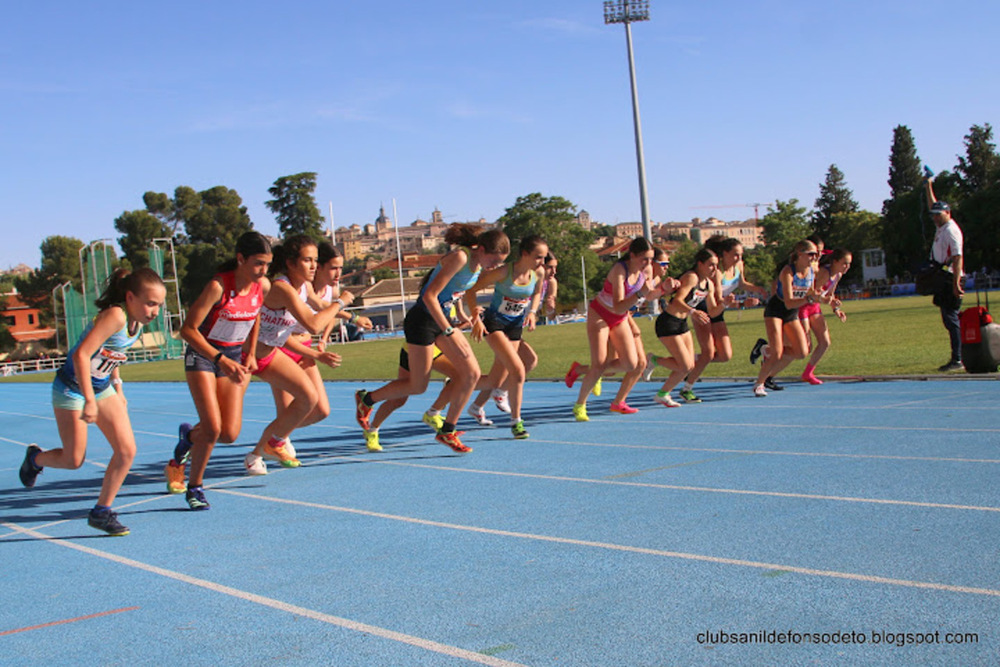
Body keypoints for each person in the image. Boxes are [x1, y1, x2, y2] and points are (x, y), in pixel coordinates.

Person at [19, 268, 167, 536]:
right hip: (72, 389)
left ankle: (101, 511)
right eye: (151, 303)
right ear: (130, 297)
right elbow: (82, 356)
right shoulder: (115, 315)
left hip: (101, 388)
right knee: (74, 460)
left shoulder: (136, 322)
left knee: (126, 451)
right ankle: (35, 459)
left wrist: (118, 388)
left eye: (159, 305)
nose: (155, 311)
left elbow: (113, 354)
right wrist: (88, 400)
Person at [355, 224, 510, 453]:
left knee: (471, 374)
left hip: (442, 320)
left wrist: (464, 316)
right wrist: (448, 330)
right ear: (481, 249)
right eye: (494, 261)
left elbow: (455, 291)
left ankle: (447, 430)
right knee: (417, 387)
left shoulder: (476, 264)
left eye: (499, 263)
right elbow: (429, 296)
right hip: (423, 321)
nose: (495, 267)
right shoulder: (460, 257)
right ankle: (367, 399)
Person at [167, 232, 272, 509]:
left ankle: (187, 438)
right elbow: (187, 330)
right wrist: (219, 359)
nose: (263, 271)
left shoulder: (262, 286)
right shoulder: (218, 286)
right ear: (240, 259)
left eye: (268, 265)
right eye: (258, 264)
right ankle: (195, 487)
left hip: (235, 356)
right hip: (204, 354)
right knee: (212, 428)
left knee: (229, 434)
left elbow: (256, 315)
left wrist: (250, 352)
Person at [243, 235, 351, 475]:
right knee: (224, 430)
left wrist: (351, 316)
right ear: (291, 263)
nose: (314, 266)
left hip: (272, 353)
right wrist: (340, 303)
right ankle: (188, 443)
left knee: (309, 399)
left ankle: (264, 448)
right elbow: (313, 324)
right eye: (307, 260)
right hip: (244, 356)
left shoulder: (304, 286)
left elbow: (320, 307)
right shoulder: (281, 288)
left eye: (315, 260)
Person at [463, 235, 547, 439]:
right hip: (495, 323)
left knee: (496, 378)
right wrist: (475, 315)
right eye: (538, 257)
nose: (541, 262)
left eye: (543, 258)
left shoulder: (538, 272)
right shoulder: (503, 272)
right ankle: (516, 422)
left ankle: (462, 390)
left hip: (515, 325)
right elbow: (471, 290)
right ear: (525, 253)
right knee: (517, 370)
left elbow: (536, 292)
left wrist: (533, 312)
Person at [571, 237, 664, 421]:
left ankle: (586, 371)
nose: (648, 263)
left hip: (619, 318)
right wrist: (641, 292)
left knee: (631, 364)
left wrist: (663, 290)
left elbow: (649, 295)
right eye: (644, 259)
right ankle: (580, 405)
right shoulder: (619, 270)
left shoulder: (647, 270)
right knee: (599, 363)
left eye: (651, 259)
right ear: (632, 255)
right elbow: (619, 305)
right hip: (601, 314)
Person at [669, 237, 766, 401]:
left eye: (741, 255)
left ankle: (688, 362)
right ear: (724, 254)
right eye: (735, 255)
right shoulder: (716, 272)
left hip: (720, 309)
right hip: (706, 310)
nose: (739, 259)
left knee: (725, 355)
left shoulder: (738, 266)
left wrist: (758, 289)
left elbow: (741, 283)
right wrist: (742, 304)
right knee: (708, 353)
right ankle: (687, 387)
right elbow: (719, 298)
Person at [647, 248, 721, 407]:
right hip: (668, 323)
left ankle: (662, 393)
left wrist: (729, 303)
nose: (714, 269)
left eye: (716, 266)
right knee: (685, 365)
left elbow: (713, 310)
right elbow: (677, 301)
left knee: (689, 366)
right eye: (711, 265)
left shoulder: (709, 284)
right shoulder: (691, 277)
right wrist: (693, 311)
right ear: (700, 264)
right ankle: (653, 361)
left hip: (682, 324)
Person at [750, 240, 819, 397]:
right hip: (776, 310)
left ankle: (764, 349)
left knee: (801, 352)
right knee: (777, 353)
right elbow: (788, 302)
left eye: (816, 254)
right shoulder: (788, 271)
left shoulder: (812, 270)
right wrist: (810, 299)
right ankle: (759, 384)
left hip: (791, 313)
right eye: (810, 254)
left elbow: (811, 291)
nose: (814, 257)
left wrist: (827, 299)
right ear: (799, 254)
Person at [926, 177, 964, 371]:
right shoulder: (942, 227)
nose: (935, 218)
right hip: (943, 276)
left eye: (938, 215)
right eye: (934, 215)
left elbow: (958, 257)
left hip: (950, 276)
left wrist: (956, 283)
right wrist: (929, 186)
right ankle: (957, 356)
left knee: (951, 318)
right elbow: (933, 204)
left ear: (948, 213)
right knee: (948, 317)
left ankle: (958, 358)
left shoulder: (951, 231)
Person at [799, 249, 852, 384]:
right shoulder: (824, 273)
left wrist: (836, 309)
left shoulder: (838, 275)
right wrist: (824, 299)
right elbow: (811, 293)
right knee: (804, 347)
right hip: (804, 306)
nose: (847, 267)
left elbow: (830, 295)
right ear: (835, 262)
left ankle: (808, 372)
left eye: (849, 264)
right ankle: (767, 350)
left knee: (825, 342)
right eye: (844, 263)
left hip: (814, 307)